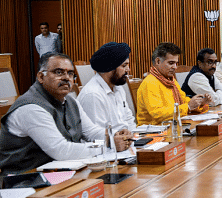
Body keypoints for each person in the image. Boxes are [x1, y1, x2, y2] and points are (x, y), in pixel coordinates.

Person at [0, 53, 130, 174]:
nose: (66, 78)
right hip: (24, 180)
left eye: (70, 73)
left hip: (59, 173)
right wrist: (110, 145)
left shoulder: (70, 102)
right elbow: (61, 150)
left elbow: (91, 132)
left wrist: (114, 136)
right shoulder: (31, 108)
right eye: (58, 72)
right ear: (41, 77)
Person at [136, 43, 211, 125]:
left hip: (172, 126)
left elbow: (183, 100)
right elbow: (157, 114)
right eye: (171, 63)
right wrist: (188, 107)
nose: (175, 67)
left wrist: (199, 102)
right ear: (158, 61)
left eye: (176, 63)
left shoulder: (171, 81)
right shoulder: (149, 82)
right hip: (152, 132)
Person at [77, 42, 136, 132]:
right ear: (110, 67)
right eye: (124, 65)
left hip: (126, 142)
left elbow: (128, 120)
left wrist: (136, 138)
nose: (128, 69)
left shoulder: (118, 88)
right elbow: (97, 136)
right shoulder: (93, 94)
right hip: (109, 144)